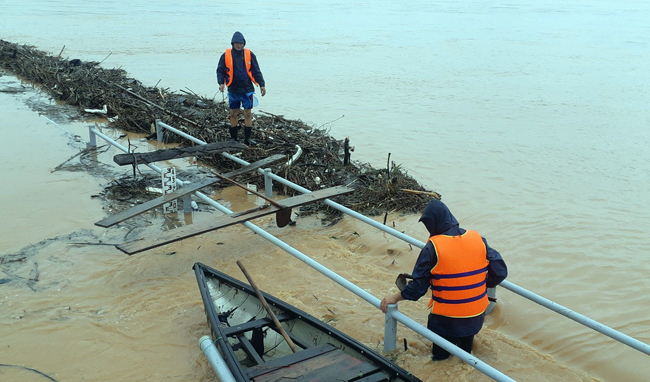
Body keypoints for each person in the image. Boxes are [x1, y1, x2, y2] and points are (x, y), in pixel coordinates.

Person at [380, 199, 507, 361]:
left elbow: (418, 289)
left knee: (440, 360)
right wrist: (481, 284)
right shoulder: (478, 239)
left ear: (434, 223)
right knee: (465, 359)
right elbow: (501, 272)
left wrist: (394, 297)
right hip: (475, 318)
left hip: (446, 322)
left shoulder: (432, 248)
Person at [216, 31, 266, 145]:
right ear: (232, 43)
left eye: (241, 43)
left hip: (247, 89)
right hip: (233, 89)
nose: (239, 45)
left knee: (248, 113)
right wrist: (221, 83)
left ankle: (247, 139)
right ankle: (234, 139)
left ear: (244, 43)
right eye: (236, 43)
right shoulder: (225, 55)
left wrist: (262, 84)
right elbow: (220, 70)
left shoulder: (249, 54)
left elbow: (256, 70)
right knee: (233, 113)